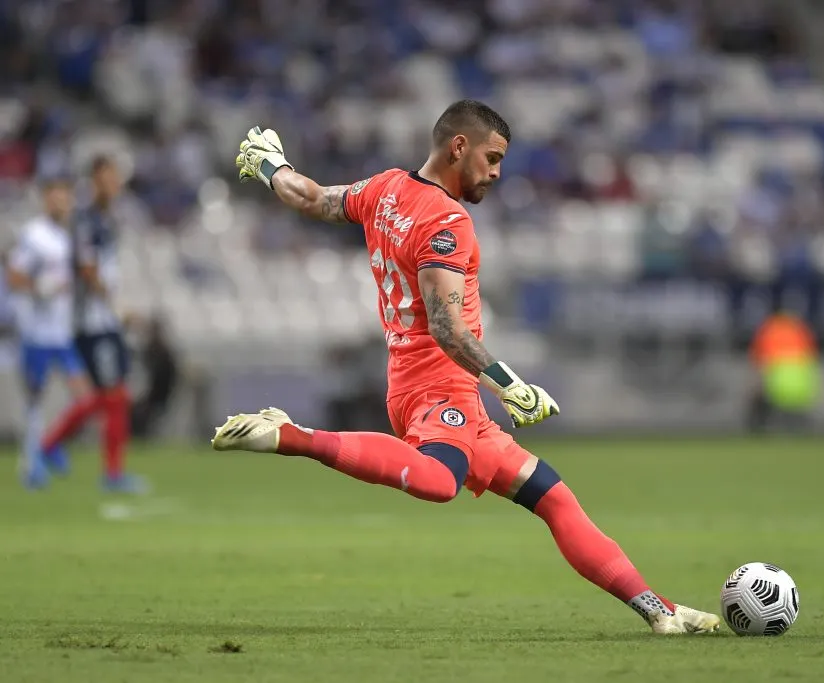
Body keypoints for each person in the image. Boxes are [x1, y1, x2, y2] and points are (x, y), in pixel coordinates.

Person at [213, 100, 720, 636]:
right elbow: (446, 327)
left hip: (431, 390)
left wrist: (271, 167)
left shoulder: (385, 189)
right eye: (493, 158)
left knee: (556, 501)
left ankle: (659, 612)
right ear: (460, 147)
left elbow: (313, 199)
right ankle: (290, 435)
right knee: (438, 481)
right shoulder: (446, 220)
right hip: (438, 388)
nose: (498, 173)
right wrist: (510, 384)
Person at [39, 156, 146, 493]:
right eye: (107, 177)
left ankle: (50, 445)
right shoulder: (86, 220)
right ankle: (110, 474)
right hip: (93, 321)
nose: (113, 184)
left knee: (105, 398)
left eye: (115, 177)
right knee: (114, 396)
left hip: (103, 321)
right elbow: (86, 268)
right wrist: (115, 306)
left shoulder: (105, 219)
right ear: (95, 180)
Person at [5, 172, 91, 488]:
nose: (62, 202)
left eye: (66, 196)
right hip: (36, 333)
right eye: (56, 196)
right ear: (46, 199)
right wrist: (37, 287)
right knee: (35, 402)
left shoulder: (65, 235)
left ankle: (49, 445)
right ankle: (31, 466)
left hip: (61, 332)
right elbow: (13, 277)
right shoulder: (34, 235)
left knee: (84, 398)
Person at [746, 302, 820, 433]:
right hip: (803, 388)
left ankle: (760, 433)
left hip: (778, 387)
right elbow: (812, 355)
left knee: (757, 398)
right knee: (794, 411)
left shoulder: (768, 330)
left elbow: (758, 361)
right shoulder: (800, 329)